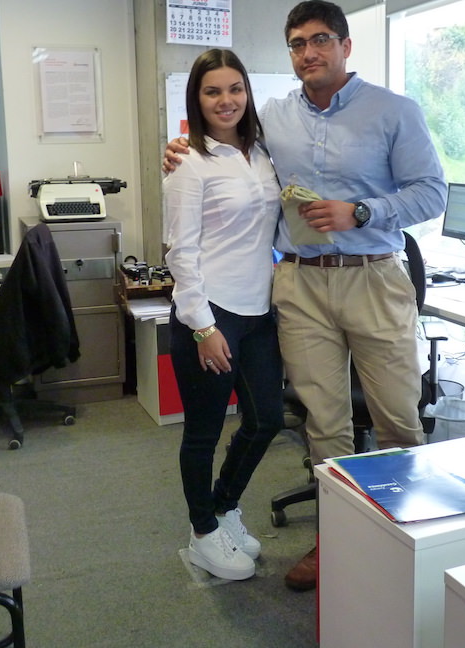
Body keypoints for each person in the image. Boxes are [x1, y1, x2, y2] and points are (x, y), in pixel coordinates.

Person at [165, 0, 448, 590]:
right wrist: (181, 149)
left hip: (372, 276)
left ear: (345, 45)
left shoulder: (394, 111)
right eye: (297, 43)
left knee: (399, 419)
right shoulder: (273, 118)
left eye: (321, 40)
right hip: (298, 284)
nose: (309, 53)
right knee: (324, 425)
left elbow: (431, 193)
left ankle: (408, 544)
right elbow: (225, 147)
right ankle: (335, 542)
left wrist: (362, 211)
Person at [164, 48, 284, 581]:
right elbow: (180, 252)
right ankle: (202, 533)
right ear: (197, 99)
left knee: (266, 420)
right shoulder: (188, 164)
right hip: (210, 313)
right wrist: (202, 326)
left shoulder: (262, 154)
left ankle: (224, 506)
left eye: (235, 88)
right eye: (212, 91)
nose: (226, 100)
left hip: (259, 311)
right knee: (203, 432)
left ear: (247, 93)